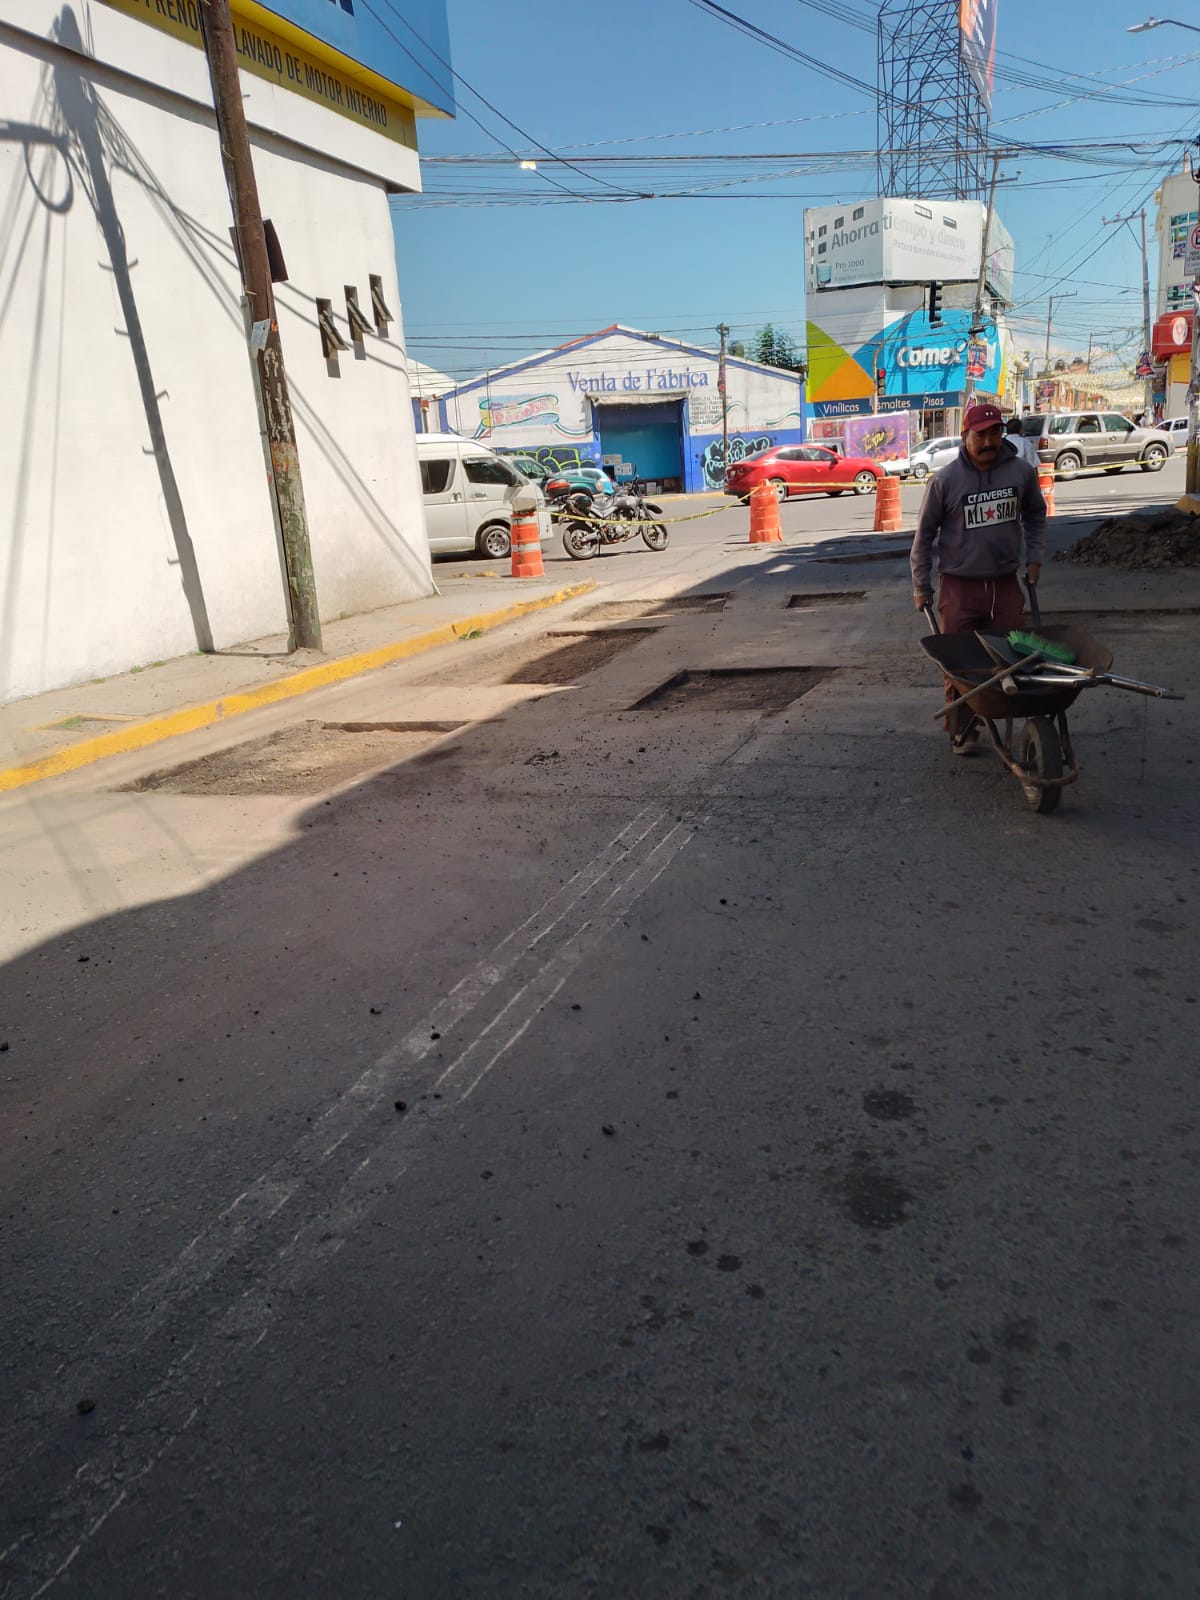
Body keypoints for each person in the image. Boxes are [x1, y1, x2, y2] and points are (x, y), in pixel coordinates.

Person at [911, 401, 1047, 752]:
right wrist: (920, 585)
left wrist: (1035, 559)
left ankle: (1013, 718)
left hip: (1004, 584)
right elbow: (924, 535)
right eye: (980, 435)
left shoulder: (1019, 473)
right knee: (958, 664)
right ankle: (962, 729)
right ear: (965, 436)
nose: (988, 441)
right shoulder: (945, 481)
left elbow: (1035, 515)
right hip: (959, 586)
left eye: (994, 433)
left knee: (1013, 656)